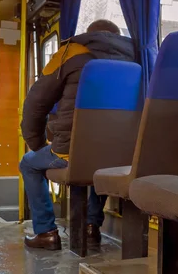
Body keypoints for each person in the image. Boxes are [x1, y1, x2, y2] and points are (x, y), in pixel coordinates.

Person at [20, 19, 136, 251]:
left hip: (72, 151)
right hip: (121, 154)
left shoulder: (71, 52)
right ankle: (92, 226)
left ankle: (46, 232)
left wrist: (37, 144)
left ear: (89, 35)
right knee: (104, 163)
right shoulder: (136, 58)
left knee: (28, 164)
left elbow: (36, 103)